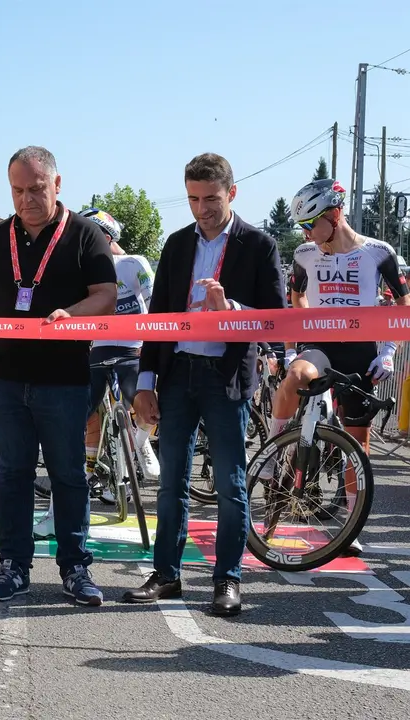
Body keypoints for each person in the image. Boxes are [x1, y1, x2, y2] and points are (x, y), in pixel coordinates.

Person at [124, 153, 285, 616]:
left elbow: (274, 322)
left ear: (231, 193)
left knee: (232, 484)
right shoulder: (176, 245)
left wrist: (229, 310)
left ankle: (227, 579)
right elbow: (159, 320)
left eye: (210, 199)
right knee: (171, 480)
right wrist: (145, 382)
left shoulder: (259, 245)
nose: (201, 209)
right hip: (176, 376)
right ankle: (167, 575)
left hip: (226, 379)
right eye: (193, 199)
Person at [0, 146, 117, 605]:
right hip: (5, 380)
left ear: (57, 184)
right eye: (17, 190)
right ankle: (13, 564)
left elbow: (106, 295)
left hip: (65, 379)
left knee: (68, 475)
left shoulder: (87, 235)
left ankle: (74, 567)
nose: (26, 199)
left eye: (35, 189)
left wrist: (71, 314)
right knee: (11, 474)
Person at [268, 178, 409, 555]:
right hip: (321, 344)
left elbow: (402, 304)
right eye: (302, 227)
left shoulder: (378, 251)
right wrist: (300, 335)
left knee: (356, 445)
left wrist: (389, 350)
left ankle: (351, 524)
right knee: (296, 376)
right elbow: (295, 297)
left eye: (311, 224)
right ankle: (272, 452)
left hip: (362, 352)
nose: (307, 233)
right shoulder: (304, 254)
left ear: (334, 214)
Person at [32, 207, 160, 539]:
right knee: (71, 425)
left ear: (105, 237)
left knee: (150, 407)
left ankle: (137, 446)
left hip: (133, 349)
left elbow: (155, 305)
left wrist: (153, 349)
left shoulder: (134, 263)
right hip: (97, 351)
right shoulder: (83, 269)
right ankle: (55, 511)